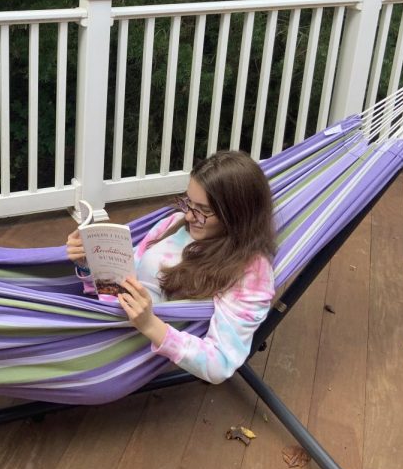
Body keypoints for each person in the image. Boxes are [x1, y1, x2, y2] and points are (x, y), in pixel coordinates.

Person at [66, 150, 276, 384]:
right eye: (188, 202)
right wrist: (88, 265)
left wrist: (149, 324)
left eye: (204, 210)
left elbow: (220, 363)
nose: (188, 216)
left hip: (123, 352)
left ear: (238, 214)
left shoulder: (251, 272)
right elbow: (123, 279)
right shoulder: (174, 224)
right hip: (100, 319)